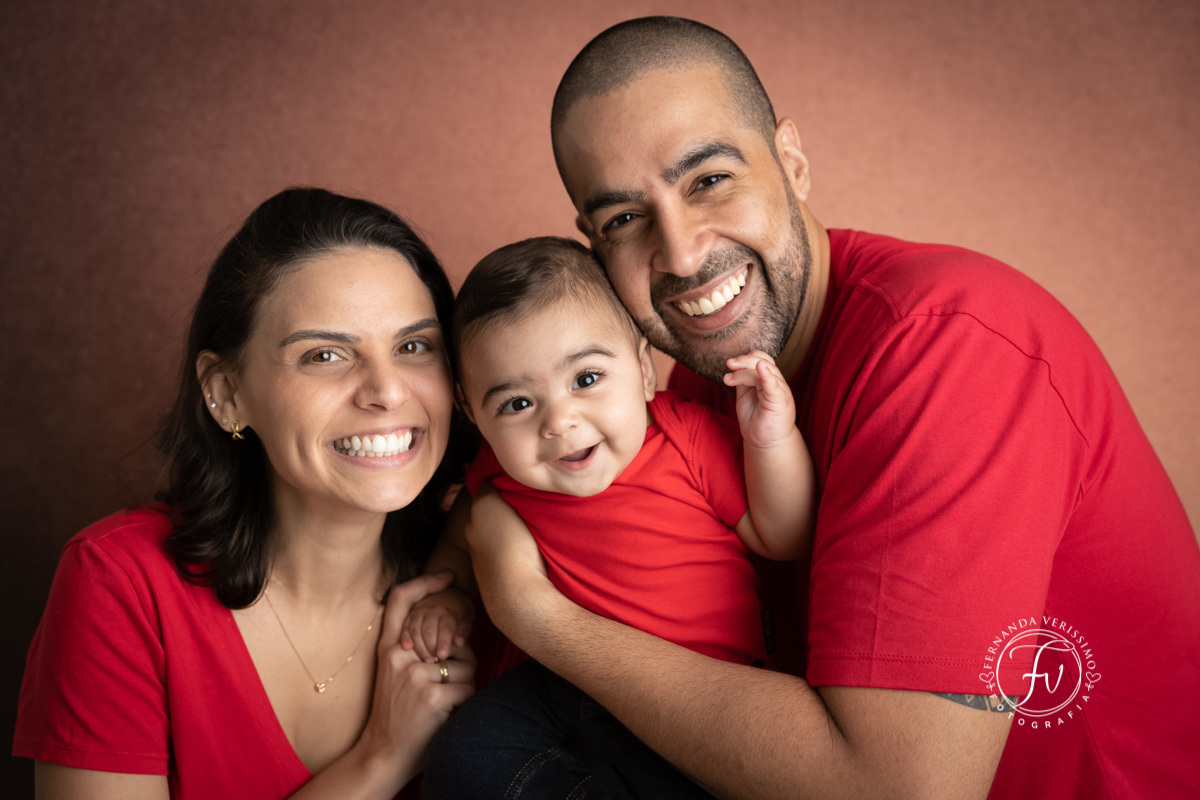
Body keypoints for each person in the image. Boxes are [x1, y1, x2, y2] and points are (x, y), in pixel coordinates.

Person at [462, 16, 1200, 800]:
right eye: (623, 220)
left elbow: (897, 790)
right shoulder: (696, 382)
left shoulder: (948, 346)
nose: (680, 254)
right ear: (593, 245)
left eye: (709, 181)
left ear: (792, 161)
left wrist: (540, 618)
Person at [13, 188, 477, 799]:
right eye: (325, 354)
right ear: (226, 393)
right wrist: (380, 759)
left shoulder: (488, 574)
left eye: (414, 346)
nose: (388, 392)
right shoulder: (120, 582)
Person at [400, 236, 813, 797]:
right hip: (563, 681)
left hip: (701, 693)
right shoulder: (498, 469)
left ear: (643, 370)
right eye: (517, 404)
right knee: (467, 748)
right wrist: (449, 592)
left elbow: (783, 536)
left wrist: (771, 441)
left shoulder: (685, 436)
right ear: (472, 413)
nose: (559, 421)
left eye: (586, 379)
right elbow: (465, 533)